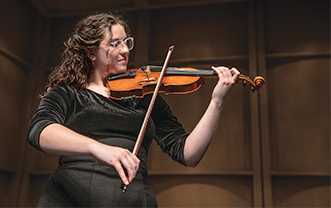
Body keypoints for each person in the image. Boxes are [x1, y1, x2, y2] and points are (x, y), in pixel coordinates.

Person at [28, 12, 240, 207]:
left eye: (126, 42)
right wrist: (97, 148)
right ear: (91, 53)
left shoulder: (144, 97)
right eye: (115, 44)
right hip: (71, 199)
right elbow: (40, 130)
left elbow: (188, 154)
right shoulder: (68, 93)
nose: (125, 50)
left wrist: (216, 101)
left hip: (132, 201)